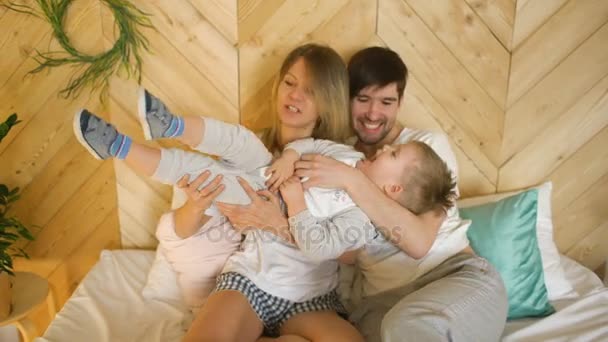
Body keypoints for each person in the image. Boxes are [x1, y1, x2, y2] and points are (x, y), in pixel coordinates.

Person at [74, 44, 364, 341]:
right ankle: (120, 145)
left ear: (328, 101)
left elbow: (351, 254)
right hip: (249, 282)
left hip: (311, 297)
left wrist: (276, 224)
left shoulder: (339, 161)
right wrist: (197, 205)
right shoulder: (249, 146)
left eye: (311, 90)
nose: (294, 95)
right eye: (289, 83)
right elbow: (189, 221)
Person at [219, 47, 509, 341]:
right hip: (384, 305)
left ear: (400, 102)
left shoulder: (422, 149)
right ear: (345, 101)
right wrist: (275, 219)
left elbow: (419, 242)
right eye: (363, 100)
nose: (373, 113)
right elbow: (343, 252)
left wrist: (350, 179)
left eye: (386, 101)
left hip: (452, 277)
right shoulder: (338, 153)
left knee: (408, 327)